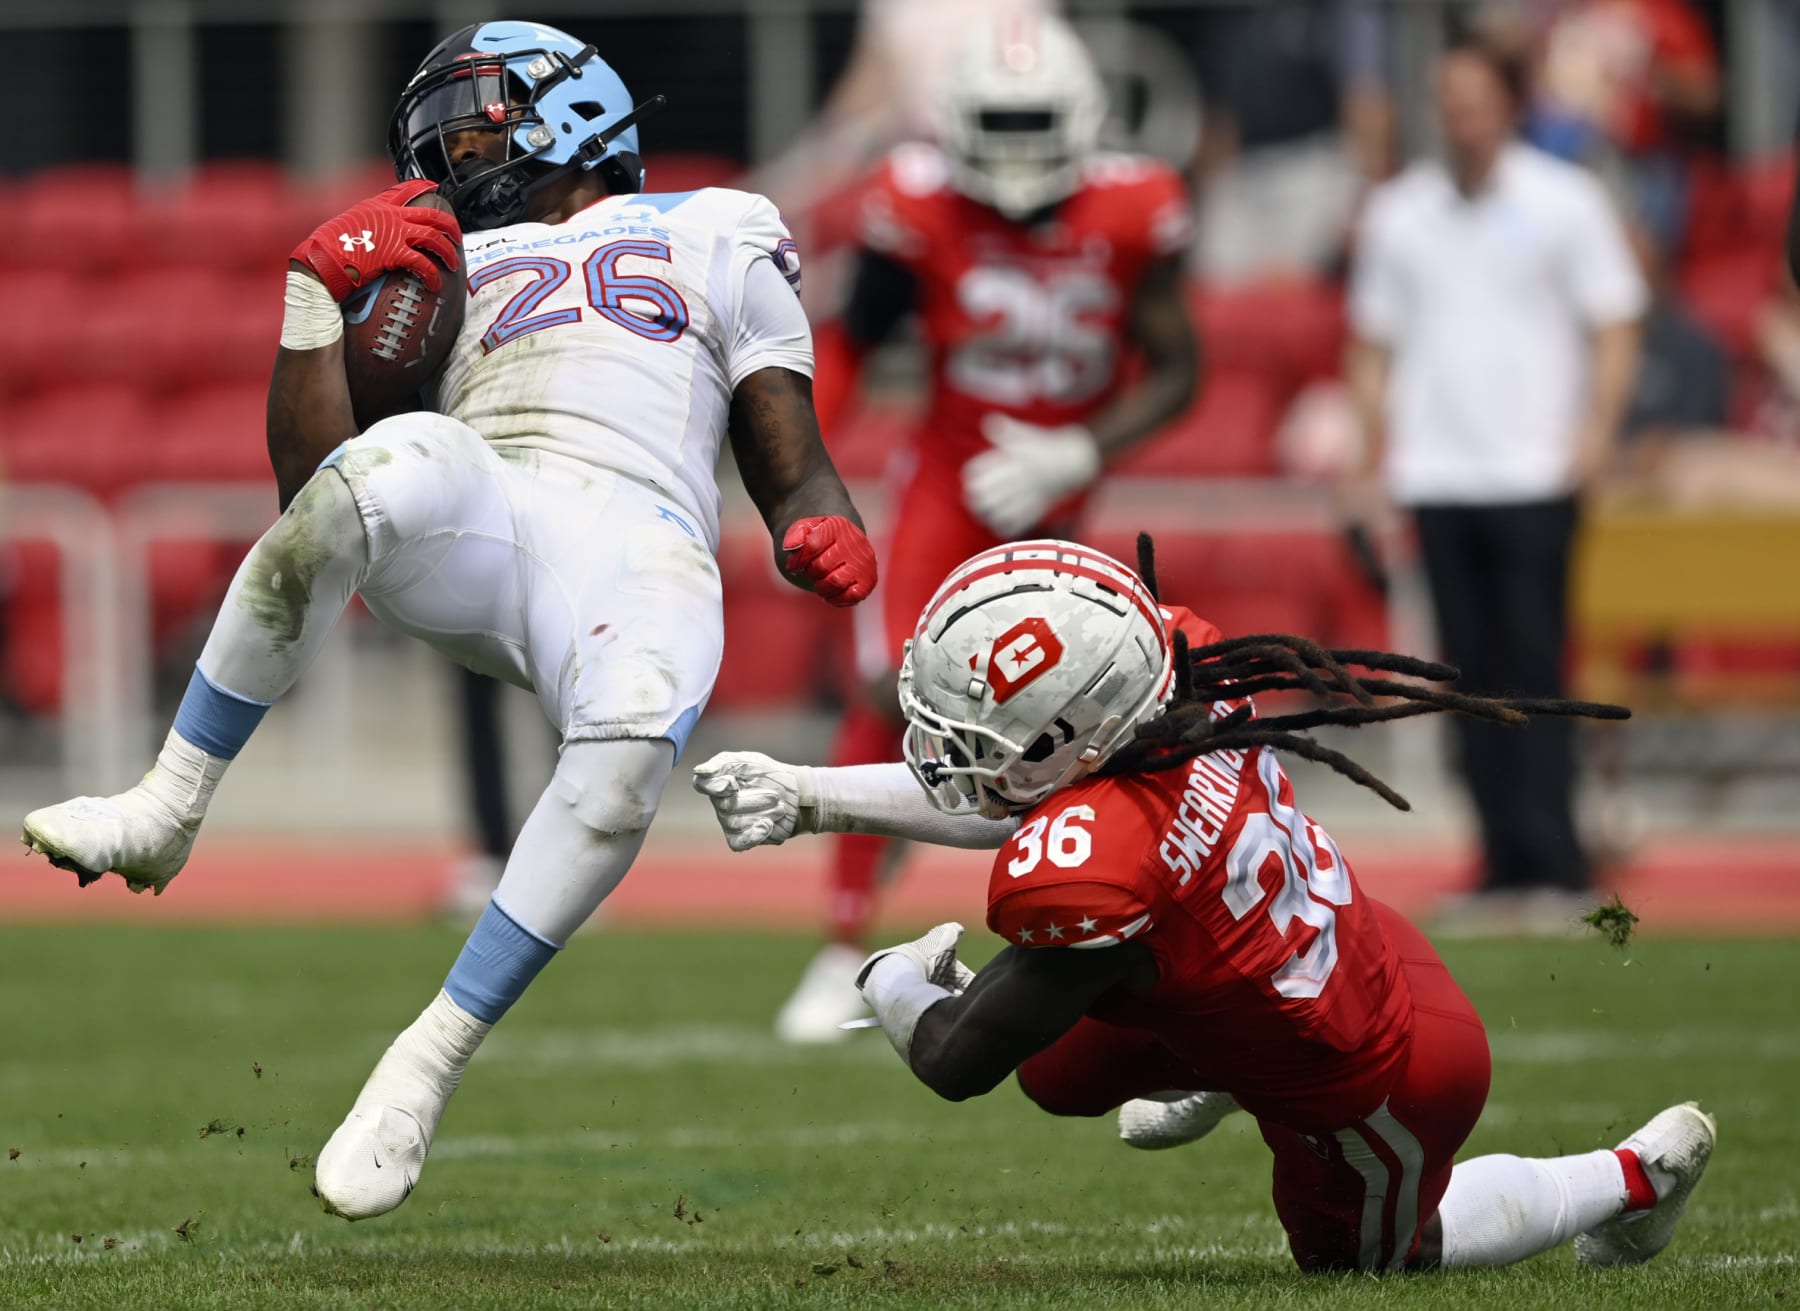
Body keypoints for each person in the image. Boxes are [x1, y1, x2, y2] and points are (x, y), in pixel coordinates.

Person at [20, 20, 876, 1221]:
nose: (451, 158)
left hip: (638, 541)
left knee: (627, 760)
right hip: (486, 502)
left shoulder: (718, 223)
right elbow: (311, 495)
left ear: (575, 116)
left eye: (475, 130)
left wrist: (816, 520)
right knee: (388, 465)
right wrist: (311, 297)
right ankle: (166, 806)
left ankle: (422, 1067)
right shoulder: (446, 259)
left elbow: (785, 436)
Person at [691, 538, 1715, 1274]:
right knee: (1056, 1070)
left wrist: (888, 977)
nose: (958, 742)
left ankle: (1634, 1179)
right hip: (1319, 937)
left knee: (1375, 1260)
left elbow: (956, 1059)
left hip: (1383, 1069)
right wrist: (812, 795)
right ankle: (1226, 1063)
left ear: (1080, 736)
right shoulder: (1176, 676)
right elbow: (1021, 796)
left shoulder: (1112, 864)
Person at [776, 12, 1200, 1041]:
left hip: (1061, 501)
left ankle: (1097, 939)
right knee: (889, 688)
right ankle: (841, 942)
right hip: (947, 485)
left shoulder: (1136, 204)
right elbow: (855, 342)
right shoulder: (916, 198)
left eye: (1032, 125)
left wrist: (1082, 450)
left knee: (1099, 718)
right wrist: (800, 471)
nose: (1014, 153)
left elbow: (1182, 368)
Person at [1343, 37, 1645, 934]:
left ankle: (1556, 856)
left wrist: (1596, 431)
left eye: (1475, 100)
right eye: (1450, 101)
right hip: (1438, 471)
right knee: (1462, 676)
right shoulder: (1401, 211)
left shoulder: (1565, 200)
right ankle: (1497, 855)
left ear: (1509, 104)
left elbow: (1615, 322)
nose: (1461, 118)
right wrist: (1368, 454)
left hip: (1534, 471)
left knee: (1537, 665)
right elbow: (1372, 345)